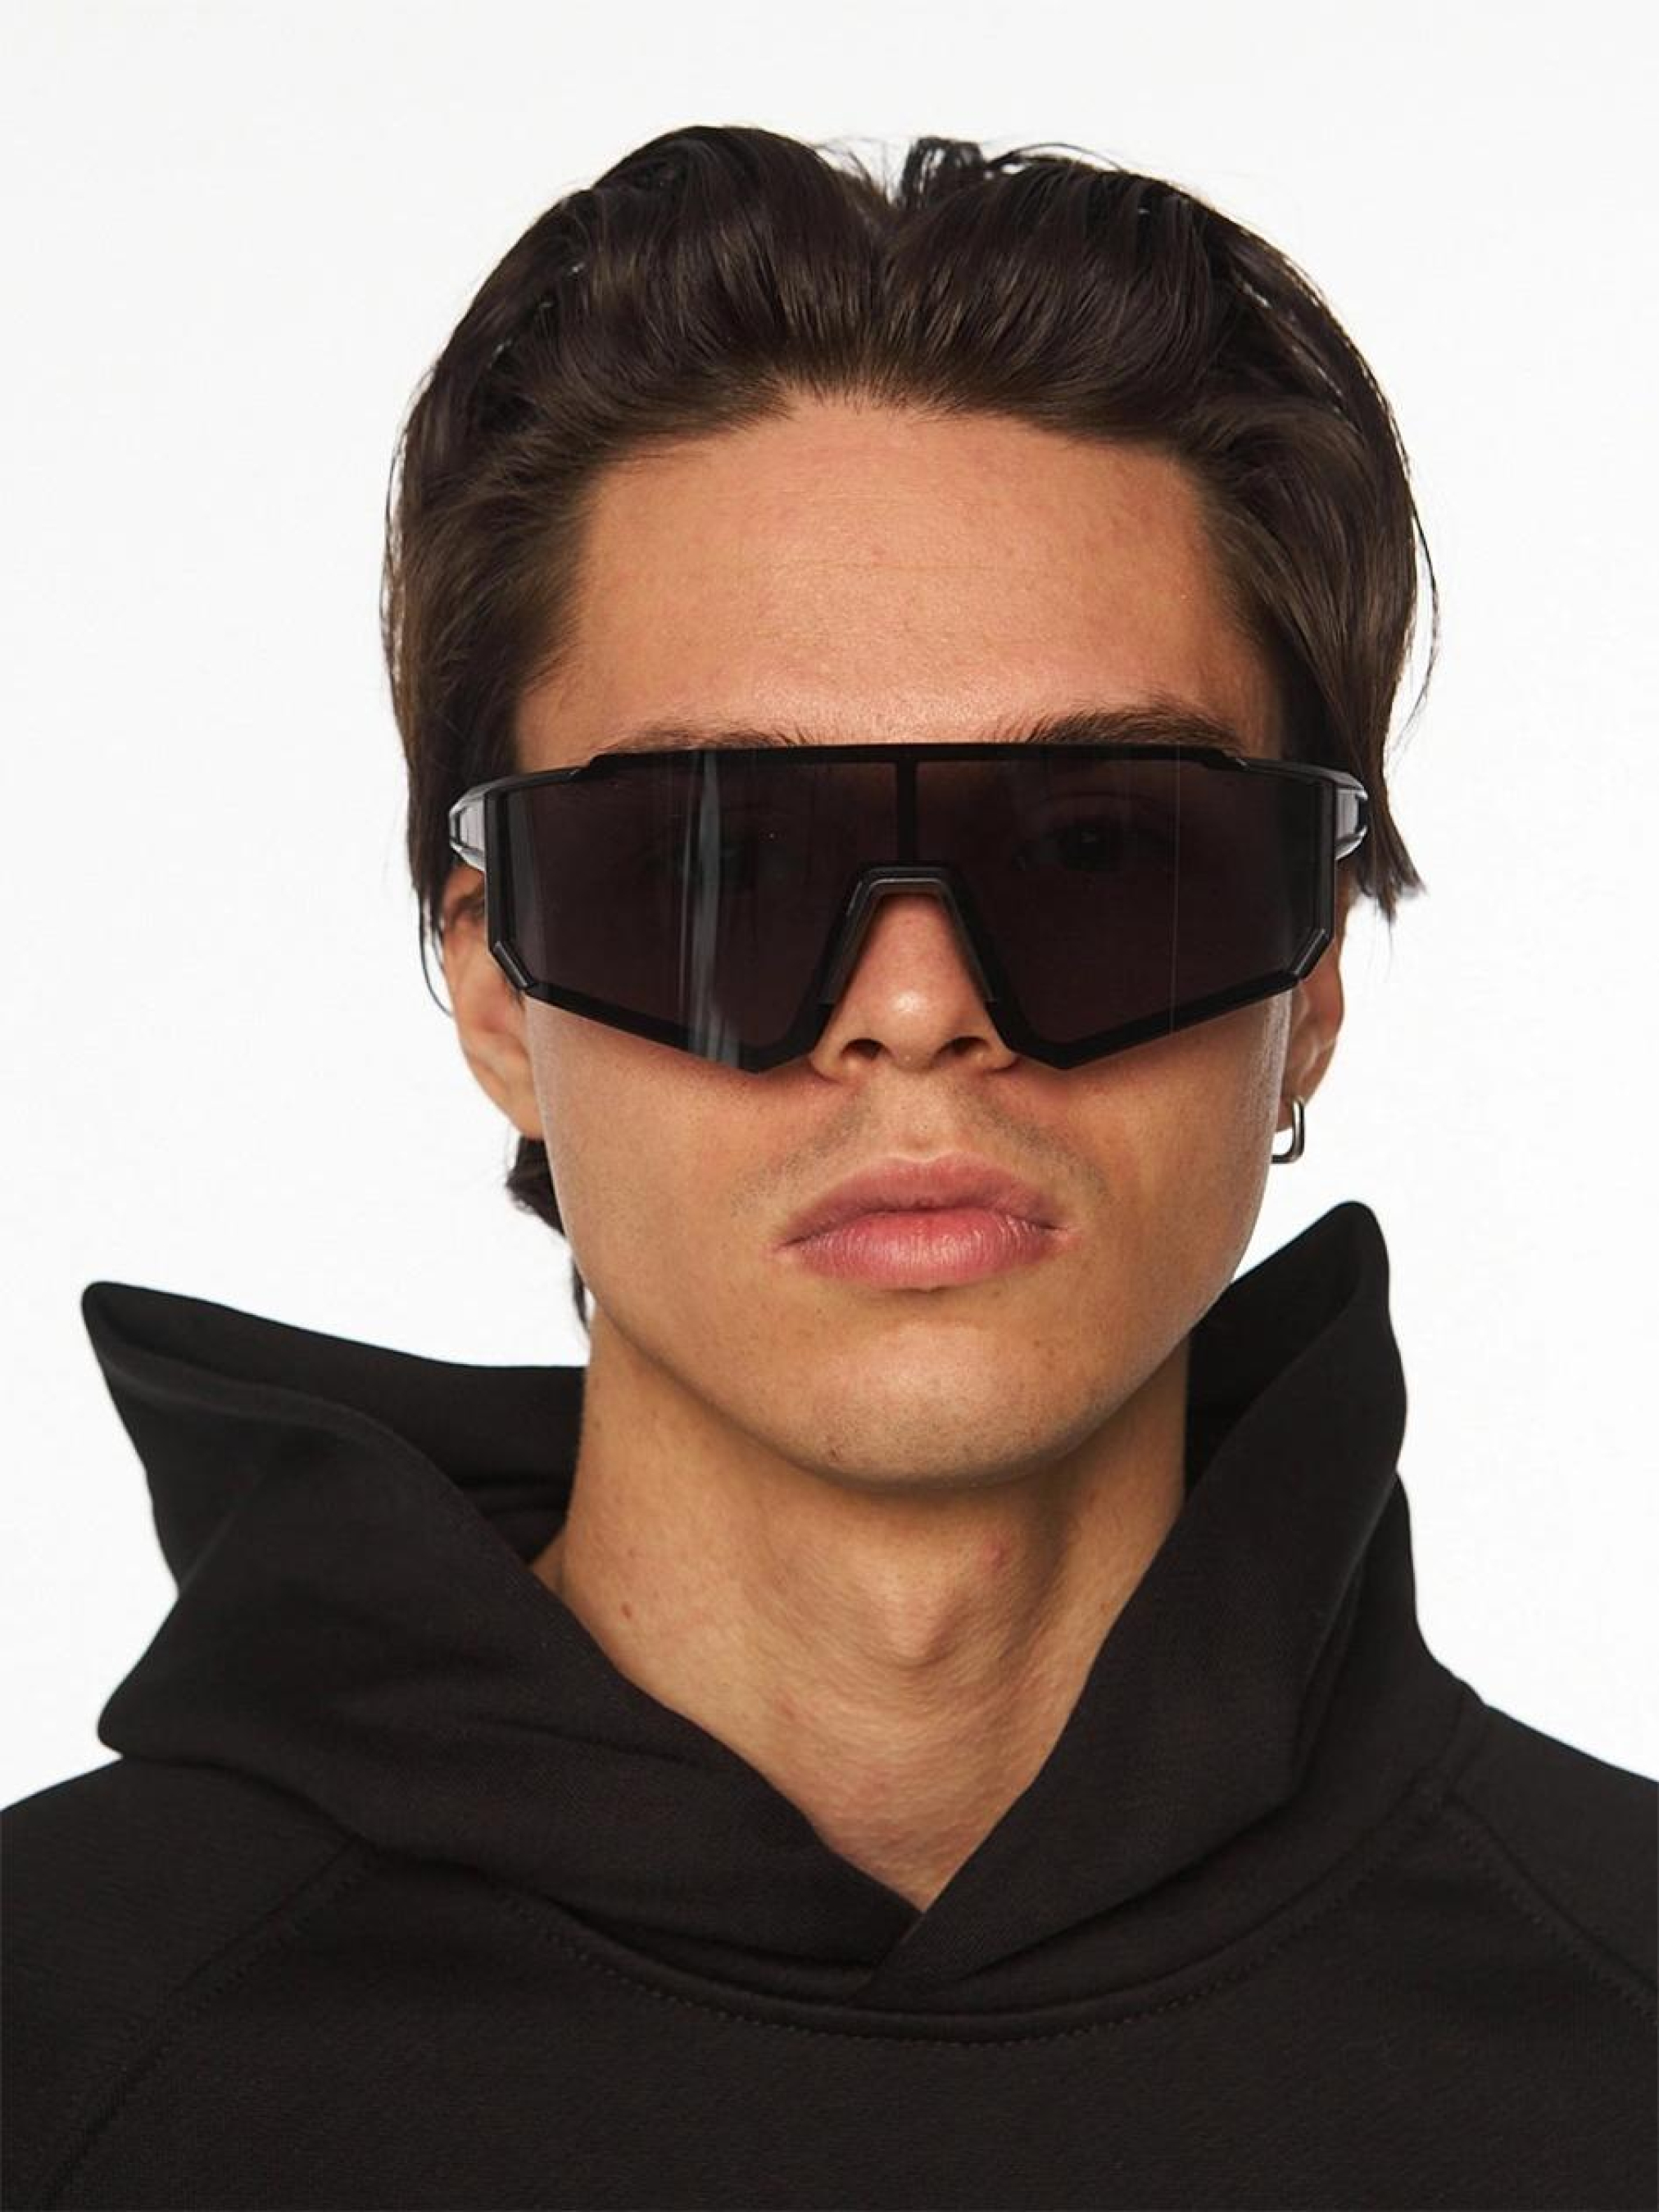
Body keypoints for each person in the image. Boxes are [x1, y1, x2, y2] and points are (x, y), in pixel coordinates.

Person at [4, 125, 1653, 2212]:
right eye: (717, 863)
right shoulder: (49, 2053)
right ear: (493, 987)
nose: (912, 1008)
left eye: (1096, 850)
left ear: (1306, 974)